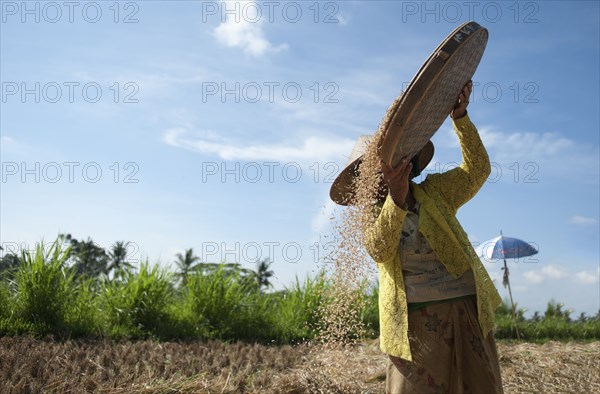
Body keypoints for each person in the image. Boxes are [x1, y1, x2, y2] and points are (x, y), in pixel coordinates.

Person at [331, 81, 504, 393]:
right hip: (415, 323)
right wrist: (395, 202)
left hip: (465, 307)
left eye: (396, 161)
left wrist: (460, 118)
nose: (390, 172)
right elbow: (380, 250)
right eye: (378, 171)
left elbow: (477, 170)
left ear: (408, 161)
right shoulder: (371, 214)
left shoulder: (435, 192)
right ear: (367, 180)